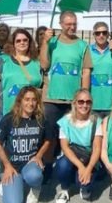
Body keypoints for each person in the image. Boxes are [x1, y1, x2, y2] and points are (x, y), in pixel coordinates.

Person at [39, 11, 92, 174]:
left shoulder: (83, 45)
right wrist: (45, 42)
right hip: (51, 97)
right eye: (68, 24)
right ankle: (48, 166)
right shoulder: (52, 42)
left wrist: (84, 96)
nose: (72, 27)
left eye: (74, 24)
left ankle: (71, 168)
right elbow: (44, 64)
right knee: (50, 135)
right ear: (61, 24)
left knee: (72, 137)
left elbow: (86, 72)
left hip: (73, 100)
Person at [0, 86, 49, 203]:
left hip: (30, 164)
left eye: (34, 100)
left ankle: (35, 188)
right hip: (12, 166)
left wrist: (39, 156)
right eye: (27, 99)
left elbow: (48, 140)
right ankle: (8, 183)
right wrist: (7, 166)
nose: (31, 103)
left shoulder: (41, 119)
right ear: (20, 101)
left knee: (35, 176)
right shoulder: (8, 119)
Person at [54, 89, 102, 203]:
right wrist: (81, 167)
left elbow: (97, 148)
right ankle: (64, 189)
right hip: (71, 157)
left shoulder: (96, 121)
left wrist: (88, 169)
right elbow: (65, 147)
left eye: (88, 102)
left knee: (84, 185)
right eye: (81, 102)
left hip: (88, 159)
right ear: (75, 103)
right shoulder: (65, 121)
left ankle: (83, 185)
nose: (84, 105)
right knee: (62, 165)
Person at [0, 29, 42, 118]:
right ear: (13, 43)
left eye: (25, 40)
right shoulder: (4, 60)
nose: (22, 42)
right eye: (18, 41)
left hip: (31, 111)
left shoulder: (36, 62)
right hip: (7, 110)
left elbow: (40, 86)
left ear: (29, 42)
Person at [88, 22, 112, 116]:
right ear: (94, 35)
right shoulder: (88, 50)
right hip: (92, 103)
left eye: (104, 33)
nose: (101, 35)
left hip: (111, 104)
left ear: (108, 34)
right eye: (98, 33)